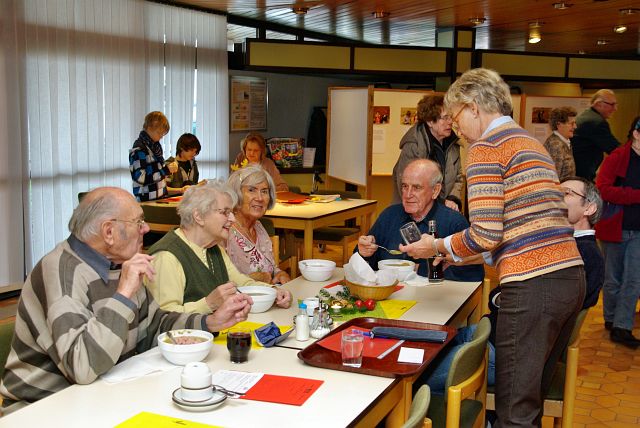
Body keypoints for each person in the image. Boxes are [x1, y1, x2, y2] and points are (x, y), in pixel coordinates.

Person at [401, 68, 584, 427]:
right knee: (529, 406)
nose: (457, 129)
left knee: (513, 413)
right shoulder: (530, 142)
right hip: (568, 278)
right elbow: (520, 226)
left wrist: (436, 245)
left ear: (473, 107)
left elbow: (486, 232)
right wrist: (457, 253)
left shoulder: (486, 147)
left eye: (456, 118)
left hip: (533, 286)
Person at [0, 187, 251, 412]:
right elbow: (82, 367)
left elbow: (155, 325)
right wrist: (124, 294)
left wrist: (209, 322)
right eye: (138, 221)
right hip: (43, 408)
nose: (146, 228)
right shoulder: (61, 272)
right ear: (109, 231)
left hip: (105, 394)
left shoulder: (118, 264)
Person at [425, 175, 605, 398]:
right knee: (426, 346)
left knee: (416, 375)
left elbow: (545, 309)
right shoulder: (558, 242)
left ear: (589, 208)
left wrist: (504, 295)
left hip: (510, 356)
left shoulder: (586, 256)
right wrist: (458, 258)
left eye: (566, 193)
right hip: (492, 335)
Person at [144, 180, 292, 313]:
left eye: (231, 212)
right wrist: (209, 304)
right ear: (199, 216)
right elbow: (164, 317)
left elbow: (242, 283)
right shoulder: (167, 256)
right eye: (225, 212)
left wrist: (274, 291)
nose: (232, 219)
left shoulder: (213, 248)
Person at [357, 159, 483, 283]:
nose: (407, 195)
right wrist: (364, 252)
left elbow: (472, 274)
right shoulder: (389, 215)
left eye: (417, 187)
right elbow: (367, 264)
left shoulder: (454, 222)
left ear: (435, 191)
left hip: (436, 294)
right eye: (405, 186)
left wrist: (420, 269)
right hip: (390, 292)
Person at [595, 116, 640, 349]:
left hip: (638, 231)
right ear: (636, 134)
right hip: (615, 227)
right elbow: (602, 189)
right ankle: (611, 318)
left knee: (634, 279)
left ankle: (622, 326)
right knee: (612, 279)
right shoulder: (617, 157)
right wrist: (635, 195)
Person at [391, 95, 462, 210]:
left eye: (451, 117)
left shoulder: (453, 144)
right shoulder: (413, 145)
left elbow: (458, 178)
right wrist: (441, 203)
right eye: (445, 118)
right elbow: (407, 185)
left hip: (443, 209)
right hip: (413, 211)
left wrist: (452, 199)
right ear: (430, 121)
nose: (450, 122)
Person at [226, 165, 291, 285]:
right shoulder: (225, 230)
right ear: (236, 194)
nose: (260, 198)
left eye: (264, 191)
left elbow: (270, 267)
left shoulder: (258, 227)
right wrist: (255, 279)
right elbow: (218, 282)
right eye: (251, 190)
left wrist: (280, 273)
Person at [129, 111, 178, 201]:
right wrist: (166, 170)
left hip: (159, 198)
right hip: (147, 201)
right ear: (150, 127)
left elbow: (157, 171)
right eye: (159, 133)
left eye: (163, 134)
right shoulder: (139, 149)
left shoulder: (154, 147)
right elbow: (140, 178)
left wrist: (167, 169)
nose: (161, 136)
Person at [572, 89, 620, 181]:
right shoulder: (596, 122)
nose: (615, 108)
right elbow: (615, 149)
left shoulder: (587, 115)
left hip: (577, 173)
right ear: (598, 104)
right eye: (612, 104)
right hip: (581, 176)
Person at [543, 106, 578, 182]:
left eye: (575, 123)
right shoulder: (556, 146)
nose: (575, 127)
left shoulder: (563, 142)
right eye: (571, 123)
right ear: (559, 124)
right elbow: (553, 179)